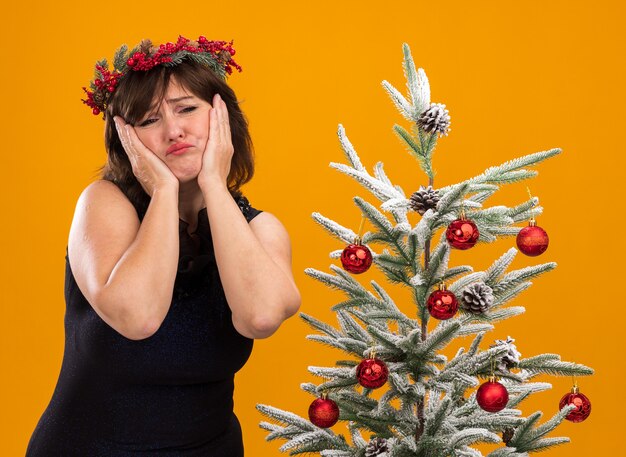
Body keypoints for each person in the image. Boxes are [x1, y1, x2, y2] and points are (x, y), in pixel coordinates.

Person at [26, 35, 301, 456]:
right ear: (126, 138)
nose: (174, 131)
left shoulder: (261, 228)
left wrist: (212, 183)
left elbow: (261, 317)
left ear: (222, 117)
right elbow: (138, 319)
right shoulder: (103, 204)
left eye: (188, 109)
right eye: (149, 120)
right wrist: (164, 192)